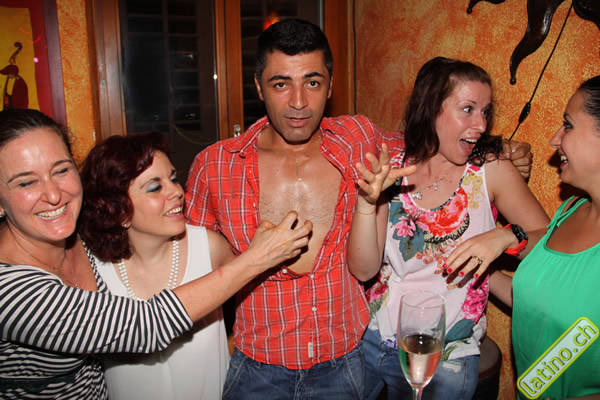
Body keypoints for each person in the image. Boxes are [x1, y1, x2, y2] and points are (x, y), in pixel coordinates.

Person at [184, 19, 534, 399]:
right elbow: (186, 272)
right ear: (258, 87)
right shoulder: (215, 167)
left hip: (345, 367)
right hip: (258, 369)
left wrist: (500, 148)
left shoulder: (360, 139)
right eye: (281, 84)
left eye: (313, 83)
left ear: (331, 86)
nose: (298, 102)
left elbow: (429, 138)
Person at [0, 108, 312, 399]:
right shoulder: (9, 291)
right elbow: (146, 326)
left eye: (61, 170)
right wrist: (257, 257)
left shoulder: (81, 238)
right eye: (26, 182)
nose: (53, 194)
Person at [347, 57, 550, 400]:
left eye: (485, 112)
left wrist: (505, 236)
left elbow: (549, 242)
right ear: (431, 108)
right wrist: (367, 203)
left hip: (445, 355)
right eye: (467, 109)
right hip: (372, 338)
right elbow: (364, 270)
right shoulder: (393, 170)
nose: (480, 124)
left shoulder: (491, 171)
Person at [445, 76, 600, 400]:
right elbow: (538, 297)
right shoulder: (571, 209)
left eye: (568, 125)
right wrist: (489, 250)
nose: (554, 140)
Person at [77, 132, 234, 399]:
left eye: (173, 179)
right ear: (119, 210)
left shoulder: (208, 248)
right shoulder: (93, 269)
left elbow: (251, 313)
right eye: (154, 187)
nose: (177, 192)